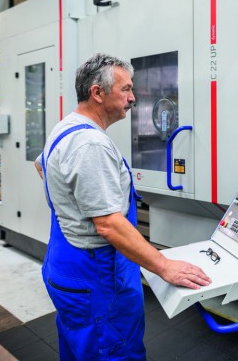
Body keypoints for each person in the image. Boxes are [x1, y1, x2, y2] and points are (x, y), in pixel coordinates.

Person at [35, 53, 211, 360]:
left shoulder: (66, 127)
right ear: (97, 93)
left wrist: (73, 206)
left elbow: (43, 167)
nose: (132, 98)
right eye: (126, 89)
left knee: (79, 349)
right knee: (111, 350)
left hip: (66, 263)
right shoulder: (90, 144)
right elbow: (108, 224)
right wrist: (164, 266)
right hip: (95, 273)